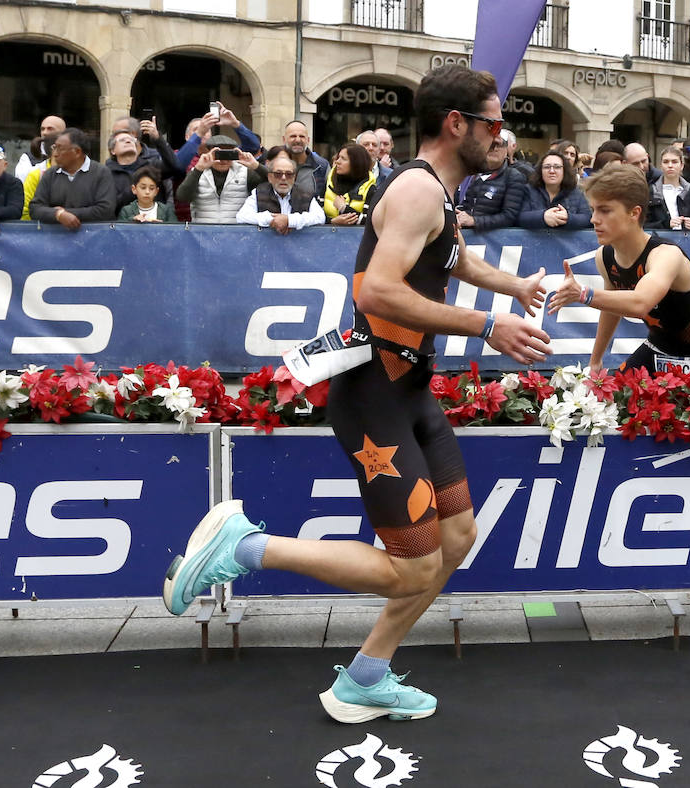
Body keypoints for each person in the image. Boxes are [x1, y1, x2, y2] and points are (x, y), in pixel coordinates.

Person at [162, 65, 552, 725]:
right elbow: (376, 291)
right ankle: (245, 547)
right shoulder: (418, 192)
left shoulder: (437, 194)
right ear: (457, 124)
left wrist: (515, 290)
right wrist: (489, 325)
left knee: (455, 540)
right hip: (375, 391)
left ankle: (366, 677)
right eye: (492, 120)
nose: (500, 133)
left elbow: (453, 259)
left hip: (410, 390)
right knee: (411, 569)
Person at [548, 164, 690, 373]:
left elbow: (640, 303)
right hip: (658, 347)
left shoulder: (666, 255)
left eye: (604, 210)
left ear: (634, 213)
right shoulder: (604, 256)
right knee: (606, 400)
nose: (593, 219)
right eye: (593, 209)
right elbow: (611, 309)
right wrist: (595, 360)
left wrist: (583, 294)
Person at [29, 128, 118, 229]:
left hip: (94, 238)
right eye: (54, 147)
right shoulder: (50, 174)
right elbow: (35, 208)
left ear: (77, 152)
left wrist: (64, 213)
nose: (55, 154)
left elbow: (105, 210)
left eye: (60, 148)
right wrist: (58, 214)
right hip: (56, 238)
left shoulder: (101, 172)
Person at [176, 135, 263, 223]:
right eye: (218, 155)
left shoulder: (245, 172)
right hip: (203, 231)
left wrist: (256, 166)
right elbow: (182, 197)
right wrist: (198, 169)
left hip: (236, 232)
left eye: (227, 155)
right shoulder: (197, 172)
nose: (223, 161)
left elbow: (272, 182)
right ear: (208, 153)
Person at [237, 151, 325, 233]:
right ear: (270, 177)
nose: (283, 178)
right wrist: (271, 220)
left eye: (289, 174)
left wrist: (290, 220)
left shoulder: (305, 194)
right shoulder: (259, 192)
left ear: (294, 177)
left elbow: (320, 217)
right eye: (278, 174)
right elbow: (242, 216)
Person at [456, 132, 525, 231]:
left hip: (495, 241)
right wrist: (458, 214)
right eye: (491, 145)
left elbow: (510, 216)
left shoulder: (514, 177)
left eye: (500, 145)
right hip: (468, 236)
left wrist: (474, 221)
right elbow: (465, 205)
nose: (495, 149)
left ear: (506, 151)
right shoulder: (472, 173)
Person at [518, 150, 590, 230]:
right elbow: (520, 217)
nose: (552, 171)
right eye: (547, 167)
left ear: (564, 170)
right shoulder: (529, 190)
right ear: (540, 170)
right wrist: (542, 217)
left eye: (557, 167)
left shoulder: (575, 192)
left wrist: (568, 218)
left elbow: (587, 218)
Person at [323, 143, 379, 226]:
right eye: (338, 157)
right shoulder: (329, 183)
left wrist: (344, 208)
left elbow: (370, 222)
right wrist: (332, 221)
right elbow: (316, 216)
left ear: (356, 163)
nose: (337, 162)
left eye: (343, 159)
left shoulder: (370, 189)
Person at [645, 147, 690, 230]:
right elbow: (645, 225)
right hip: (661, 240)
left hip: (687, 239)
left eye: (674, 162)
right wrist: (666, 224)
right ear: (661, 165)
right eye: (666, 162)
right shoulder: (651, 191)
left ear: (682, 165)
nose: (670, 165)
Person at [281, 120, 329, 196]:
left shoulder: (321, 166)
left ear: (308, 140)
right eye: (293, 136)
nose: (297, 140)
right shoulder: (275, 163)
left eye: (302, 136)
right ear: (284, 139)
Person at [15, 115, 65, 181]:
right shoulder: (28, 158)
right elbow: (24, 181)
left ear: (63, 132)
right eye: (42, 129)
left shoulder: (71, 155)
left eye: (50, 129)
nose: (45, 133)